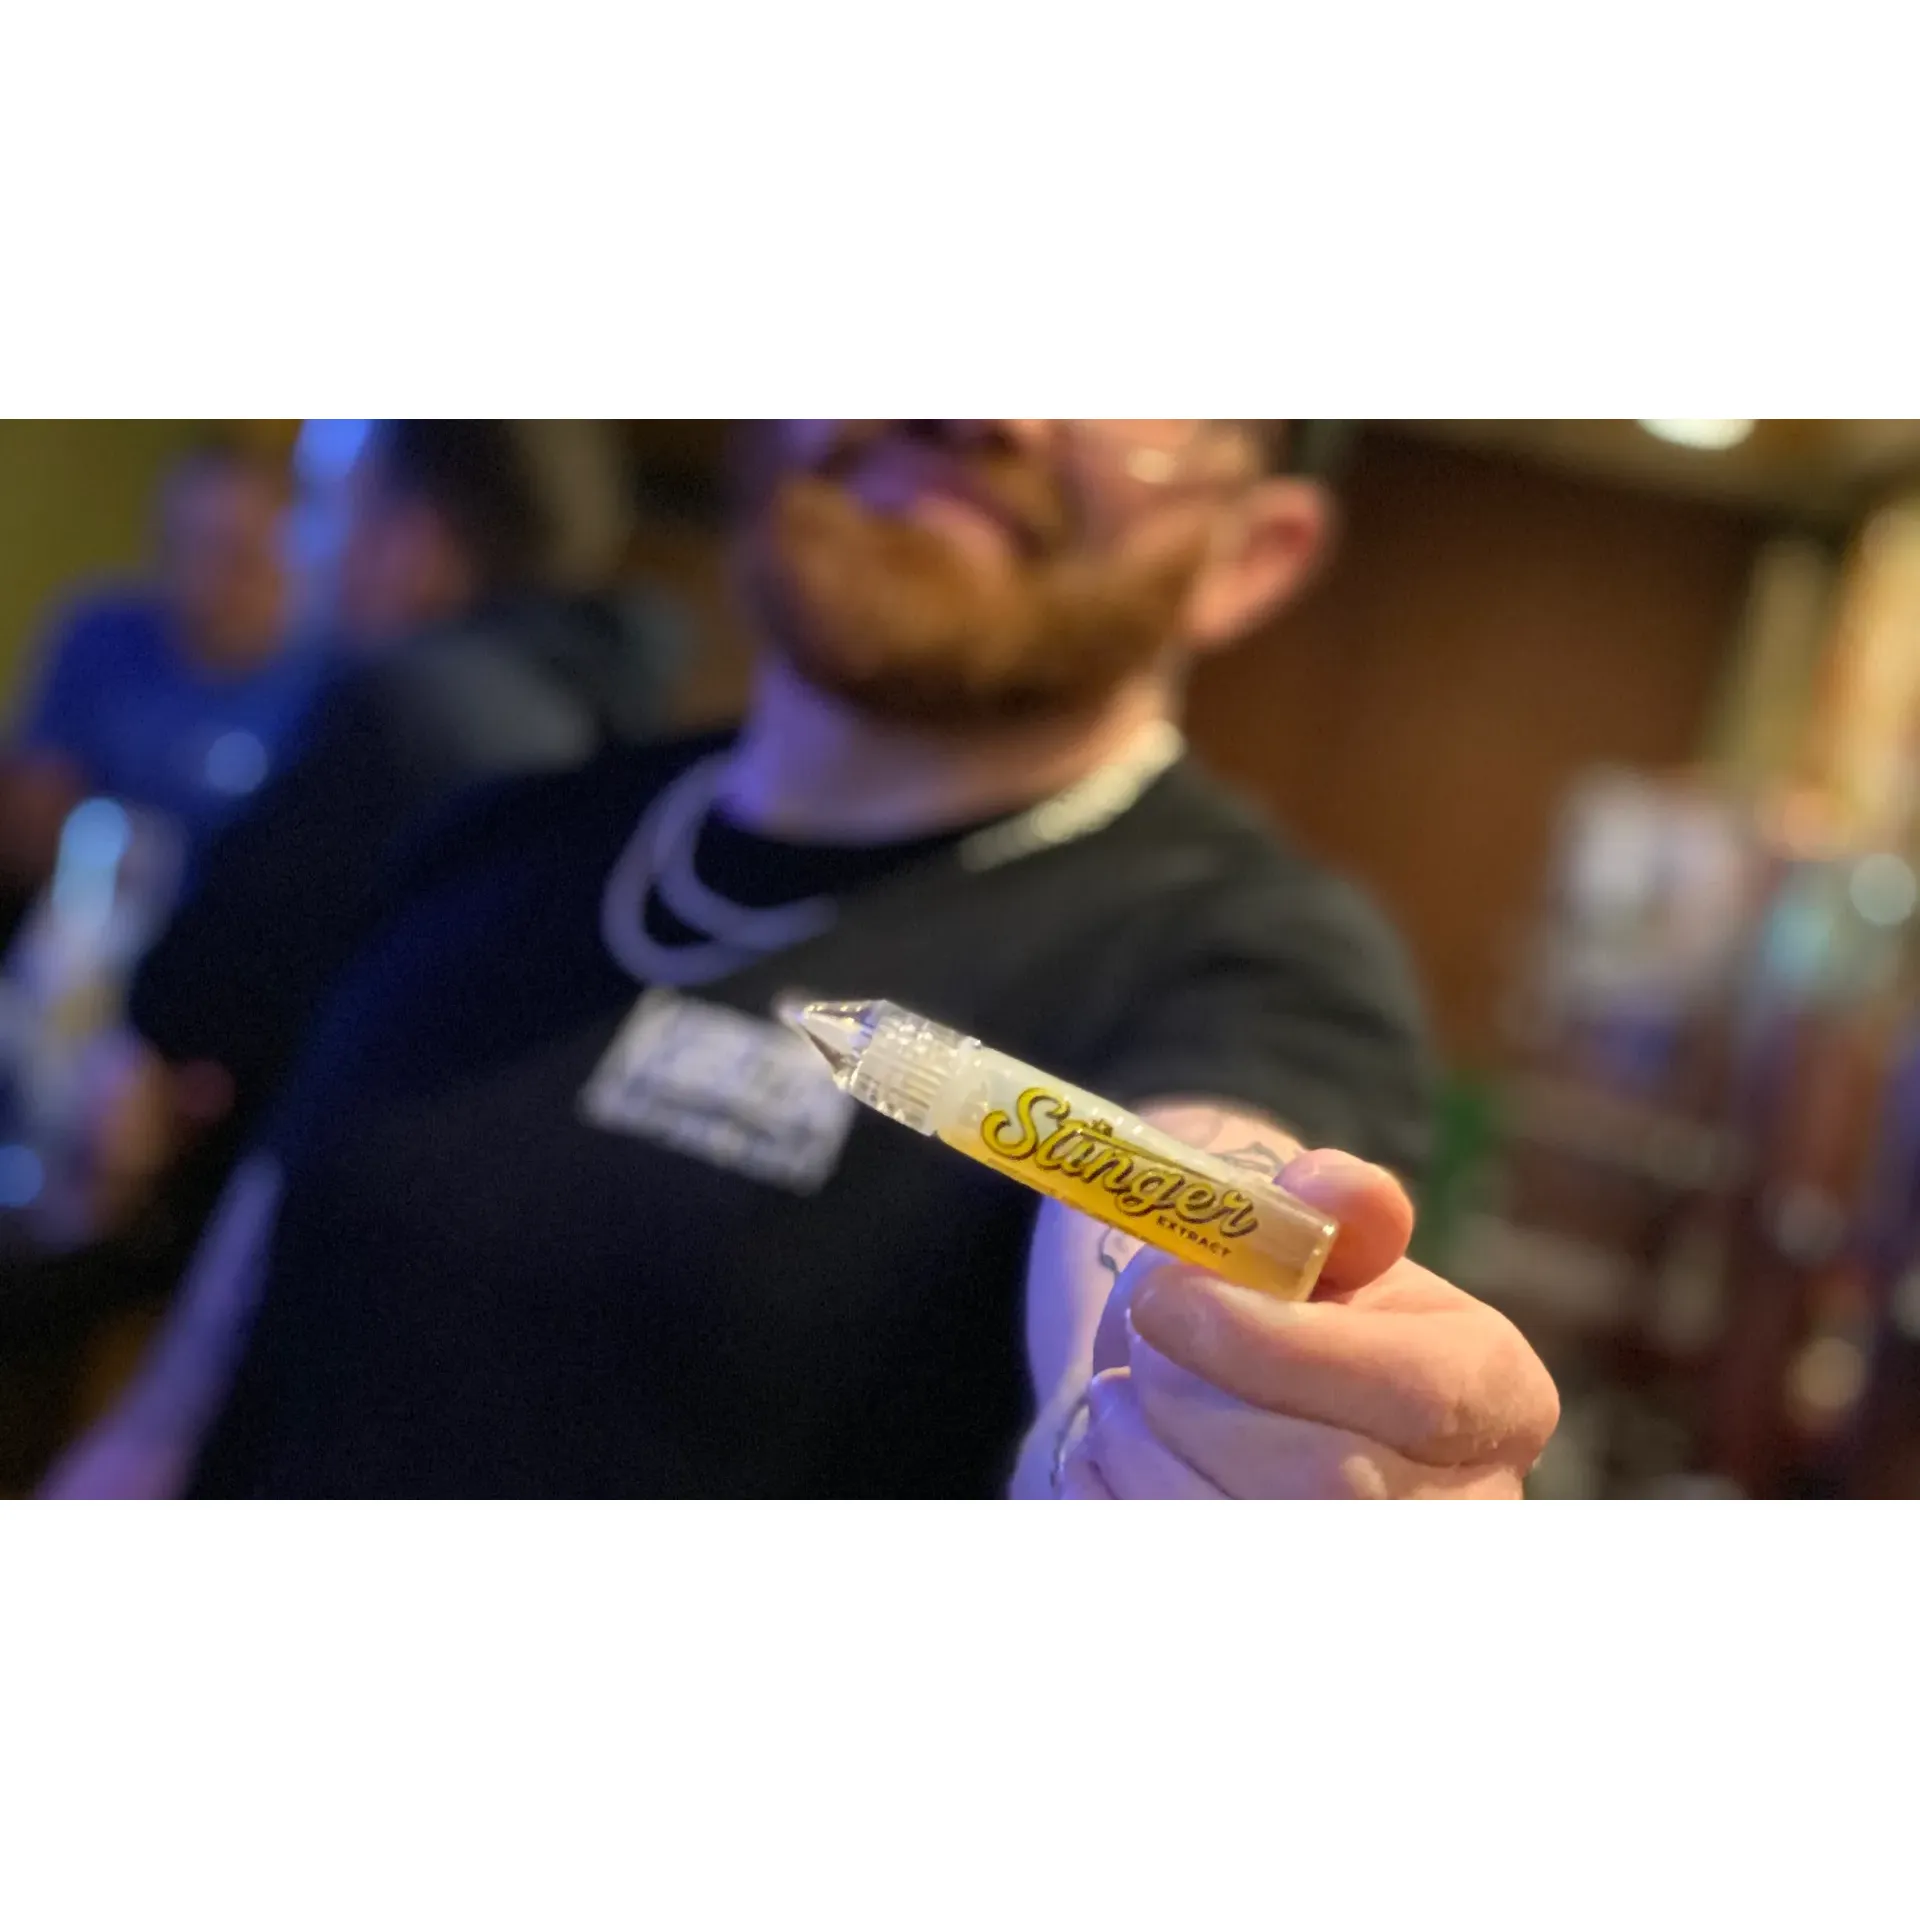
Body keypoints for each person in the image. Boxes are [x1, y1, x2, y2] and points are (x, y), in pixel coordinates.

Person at [48, 419, 1558, 1499]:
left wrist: (1226, 1406)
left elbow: (1201, 1183)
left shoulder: (1252, 956)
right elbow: (190, 1393)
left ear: (1252, 553)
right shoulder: (495, 835)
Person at [89, 419, 687, 1228]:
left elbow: (188, 998)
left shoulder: (410, 710)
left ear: (418, 539)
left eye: (325, 505)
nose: (296, 544)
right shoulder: (608, 719)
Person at [0, 441, 320, 909]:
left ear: (290, 558)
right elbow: (28, 816)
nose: (205, 579)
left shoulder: (323, 688)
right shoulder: (100, 634)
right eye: (185, 548)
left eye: (234, 557)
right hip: (72, 915)